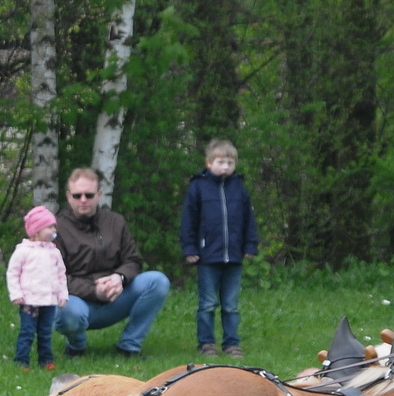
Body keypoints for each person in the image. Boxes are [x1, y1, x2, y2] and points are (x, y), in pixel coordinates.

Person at [53, 167, 170, 358]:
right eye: (77, 195)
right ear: (68, 196)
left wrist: (119, 277)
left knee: (158, 281)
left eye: (89, 195)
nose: (83, 200)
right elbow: (55, 278)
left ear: (99, 195)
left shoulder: (115, 222)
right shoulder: (56, 228)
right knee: (66, 311)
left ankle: (129, 345)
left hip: (116, 297)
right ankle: (76, 345)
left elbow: (133, 260)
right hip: (78, 302)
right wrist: (93, 290)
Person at [180, 138, 260, 358]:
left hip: (233, 256)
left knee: (231, 305)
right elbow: (189, 220)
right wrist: (190, 248)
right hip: (207, 256)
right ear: (209, 163)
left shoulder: (239, 189)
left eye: (230, 163)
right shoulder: (198, 187)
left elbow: (248, 220)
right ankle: (206, 343)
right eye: (221, 162)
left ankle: (231, 343)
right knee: (207, 304)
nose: (225, 167)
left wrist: (250, 244)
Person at [6, 205, 68, 370]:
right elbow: (13, 273)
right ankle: (21, 360)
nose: (54, 230)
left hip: (49, 300)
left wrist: (63, 294)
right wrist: (16, 293)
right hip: (30, 301)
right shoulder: (23, 251)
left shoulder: (54, 253)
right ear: (36, 231)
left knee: (45, 332)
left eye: (54, 226)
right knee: (27, 331)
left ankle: (46, 359)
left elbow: (61, 274)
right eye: (50, 227)